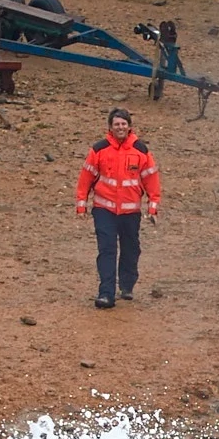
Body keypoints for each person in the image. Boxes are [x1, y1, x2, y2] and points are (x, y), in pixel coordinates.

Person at [74, 106, 159, 308]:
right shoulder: (99, 149)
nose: (120, 127)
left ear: (129, 126)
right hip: (104, 210)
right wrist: (81, 205)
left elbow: (151, 179)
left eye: (123, 124)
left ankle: (127, 286)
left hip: (131, 212)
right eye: (116, 124)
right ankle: (106, 293)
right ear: (110, 128)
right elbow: (86, 178)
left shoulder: (141, 150)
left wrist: (153, 207)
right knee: (107, 250)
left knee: (131, 249)